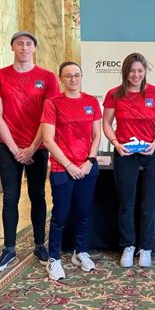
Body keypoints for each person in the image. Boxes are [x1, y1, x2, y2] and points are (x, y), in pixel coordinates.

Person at [0, 31, 59, 272]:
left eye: (29, 44)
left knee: (38, 196)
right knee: (10, 197)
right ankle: (9, 249)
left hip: (37, 147)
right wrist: (16, 148)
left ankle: (40, 244)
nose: (24, 48)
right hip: (9, 148)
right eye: (20, 44)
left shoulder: (47, 78)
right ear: (13, 48)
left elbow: (47, 117)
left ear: (34, 48)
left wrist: (30, 148)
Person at [103, 53, 155, 268]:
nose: (136, 75)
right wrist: (115, 143)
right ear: (125, 72)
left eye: (140, 71)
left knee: (150, 203)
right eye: (132, 71)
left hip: (151, 153)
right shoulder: (114, 94)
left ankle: (146, 248)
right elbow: (106, 123)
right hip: (125, 154)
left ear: (145, 72)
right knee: (126, 203)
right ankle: (128, 246)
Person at [41, 62, 101, 280]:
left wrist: (89, 161)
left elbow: (96, 136)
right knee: (60, 214)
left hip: (86, 168)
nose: (73, 79)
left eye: (77, 75)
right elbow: (48, 139)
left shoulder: (91, 101)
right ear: (61, 79)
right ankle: (54, 258)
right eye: (68, 76)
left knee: (83, 212)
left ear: (82, 77)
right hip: (62, 168)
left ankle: (80, 252)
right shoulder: (52, 103)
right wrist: (68, 165)